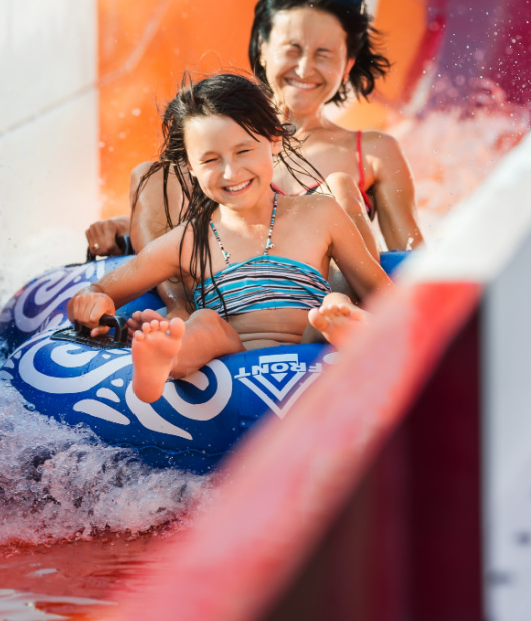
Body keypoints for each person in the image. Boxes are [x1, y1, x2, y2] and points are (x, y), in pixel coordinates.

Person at [69, 74, 392, 404]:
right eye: (210, 160)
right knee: (206, 323)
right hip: (231, 355)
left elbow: (381, 292)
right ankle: (163, 362)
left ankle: (350, 334)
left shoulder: (319, 213)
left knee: (334, 306)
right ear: (190, 167)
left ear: (275, 139)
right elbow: (105, 288)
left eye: (244, 151)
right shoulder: (187, 241)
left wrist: (363, 315)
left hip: (312, 343)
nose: (230, 172)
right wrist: (93, 300)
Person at [86, 0, 424, 260]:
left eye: (324, 54)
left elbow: (411, 258)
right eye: (292, 49)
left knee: (339, 193)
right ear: (263, 50)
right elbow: (178, 209)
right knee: (153, 173)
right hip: (222, 301)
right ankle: (180, 314)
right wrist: (125, 231)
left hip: (324, 301)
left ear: (347, 64)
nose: (305, 68)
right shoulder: (219, 133)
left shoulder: (374, 153)